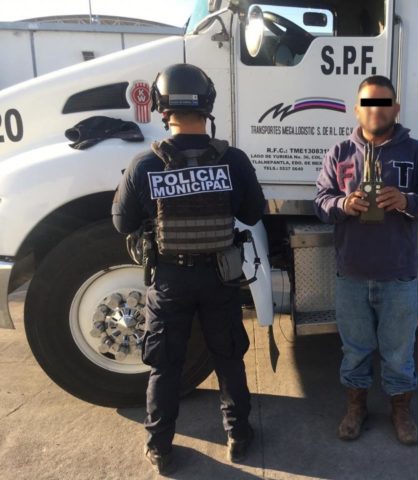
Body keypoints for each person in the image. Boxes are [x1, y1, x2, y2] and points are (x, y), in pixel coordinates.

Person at [112, 63, 265, 474]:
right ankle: (238, 435)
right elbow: (253, 213)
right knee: (228, 358)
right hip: (221, 276)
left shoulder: (144, 164)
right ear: (207, 104)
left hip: (170, 280)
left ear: (162, 108)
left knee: (165, 365)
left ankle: (160, 447)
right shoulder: (233, 160)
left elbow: (122, 223)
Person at [314, 75, 418, 445]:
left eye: (383, 103)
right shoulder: (339, 153)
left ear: (395, 108)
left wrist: (406, 201)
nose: (376, 110)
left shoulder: (417, 153)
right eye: (368, 103)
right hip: (351, 273)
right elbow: (320, 202)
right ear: (357, 109)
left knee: (399, 352)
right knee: (354, 350)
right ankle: (356, 407)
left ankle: (401, 410)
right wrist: (343, 204)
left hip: (398, 274)